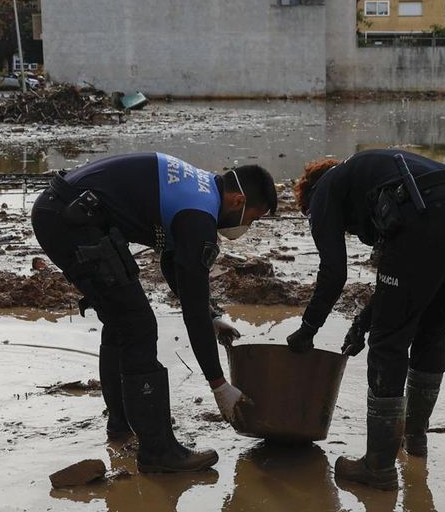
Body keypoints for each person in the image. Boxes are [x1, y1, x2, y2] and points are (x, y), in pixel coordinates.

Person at [30, 153, 277, 473]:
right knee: (139, 325)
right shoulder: (198, 216)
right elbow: (191, 308)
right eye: (252, 218)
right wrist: (219, 385)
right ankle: (158, 451)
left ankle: (123, 424)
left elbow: (172, 264)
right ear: (238, 199)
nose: (247, 226)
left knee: (123, 320)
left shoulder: (200, 188)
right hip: (70, 221)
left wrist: (211, 314)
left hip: (65, 211)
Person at [286, 150, 445, 490]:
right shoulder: (376, 176)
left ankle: (379, 466)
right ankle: (415, 441)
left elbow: (334, 272)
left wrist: (308, 329)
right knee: (431, 327)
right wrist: (361, 322)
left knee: (388, 343)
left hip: (434, 215)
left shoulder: (323, 192)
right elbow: (402, 284)